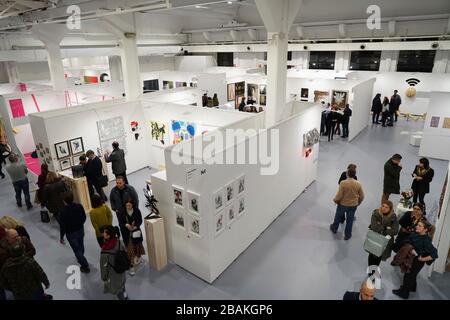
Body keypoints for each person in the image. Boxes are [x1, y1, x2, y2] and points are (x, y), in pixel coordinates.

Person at [392, 219, 438, 299]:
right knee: (412, 275)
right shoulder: (416, 234)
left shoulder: (426, 240)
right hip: (411, 258)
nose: (417, 226)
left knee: (408, 276)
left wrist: (423, 259)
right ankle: (412, 288)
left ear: (425, 229)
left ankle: (404, 293)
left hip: (417, 262)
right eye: (418, 225)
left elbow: (434, 254)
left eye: (420, 226)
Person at [330, 168, 364, 240]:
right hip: (353, 205)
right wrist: (358, 202)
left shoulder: (343, 183)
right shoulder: (358, 184)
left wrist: (335, 200)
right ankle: (347, 235)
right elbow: (362, 196)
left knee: (338, 217)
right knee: (350, 220)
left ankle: (334, 228)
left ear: (347, 174)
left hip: (343, 204)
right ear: (354, 175)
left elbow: (339, 195)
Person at [59, 192, 90, 273]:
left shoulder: (62, 212)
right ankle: (81, 257)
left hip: (71, 233)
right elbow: (84, 217)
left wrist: (61, 237)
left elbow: (62, 226)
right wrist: (80, 224)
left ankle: (85, 265)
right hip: (80, 229)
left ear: (64, 201)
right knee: (81, 245)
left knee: (76, 250)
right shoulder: (79, 206)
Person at [367, 201, 399, 267]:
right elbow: (374, 227)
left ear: (390, 209)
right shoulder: (376, 214)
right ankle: (370, 270)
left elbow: (395, 231)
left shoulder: (393, 217)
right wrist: (386, 228)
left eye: (386, 207)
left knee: (379, 256)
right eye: (383, 206)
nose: (384, 208)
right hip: (375, 238)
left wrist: (381, 227)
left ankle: (374, 270)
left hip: (385, 241)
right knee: (372, 255)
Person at [100, 225, 128, 300]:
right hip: (122, 269)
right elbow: (125, 252)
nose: (103, 233)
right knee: (122, 284)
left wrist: (104, 277)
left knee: (118, 289)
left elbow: (104, 266)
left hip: (113, 273)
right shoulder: (119, 242)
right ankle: (125, 296)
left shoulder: (104, 251)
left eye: (105, 232)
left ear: (108, 236)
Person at [119, 200, 145, 276]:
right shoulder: (122, 212)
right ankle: (131, 266)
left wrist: (136, 226)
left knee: (138, 246)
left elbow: (140, 220)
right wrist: (126, 225)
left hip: (136, 233)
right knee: (130, 251)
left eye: (129, 205)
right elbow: (120, 223)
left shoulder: (137, 211)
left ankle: (139, 257)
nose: (128, 207)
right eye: (127, 205)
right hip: (127, 235)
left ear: (132, 205)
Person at [41, 172, 67, 239]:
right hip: (61, 202)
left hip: (52, 205)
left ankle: (63, 227)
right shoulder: (60, 184)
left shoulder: (46, 187)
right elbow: (64, 190)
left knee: (56, 215)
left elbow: (44, 198)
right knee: (63, 214)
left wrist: (43, 204)